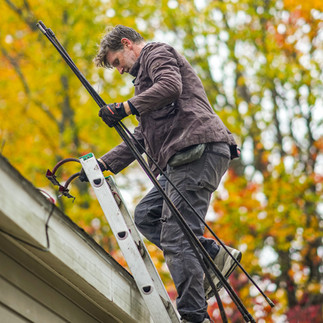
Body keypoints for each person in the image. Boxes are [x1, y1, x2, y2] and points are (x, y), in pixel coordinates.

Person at [80, 25, 241, 323]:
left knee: (178, 237)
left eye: (117, 62)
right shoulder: (144, 85)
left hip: (196, 151)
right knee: (146, 215)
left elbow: (170, 85)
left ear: (127, 44)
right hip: (184, 158)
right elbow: (142, 136)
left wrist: (126, 107)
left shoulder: (156, 53)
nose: (119, 70)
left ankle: (194, 317)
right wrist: (103, 165)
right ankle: (210, 254)